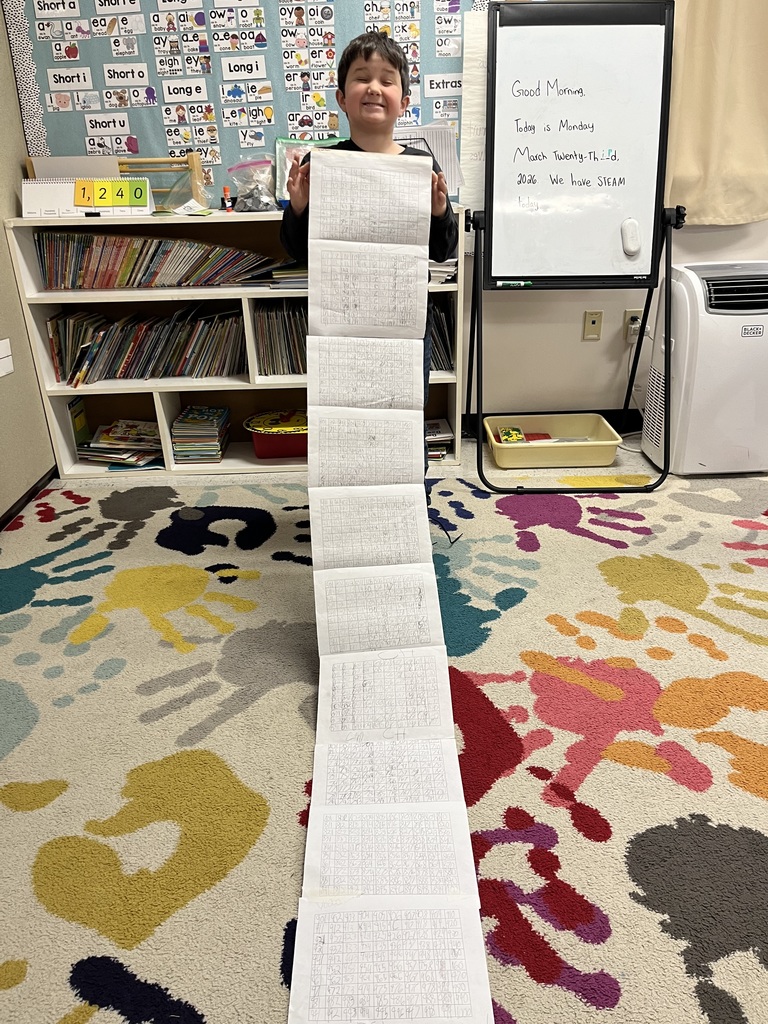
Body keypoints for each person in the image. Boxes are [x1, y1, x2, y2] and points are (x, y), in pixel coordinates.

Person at [280, 30, 459, 495]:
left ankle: (402, 500)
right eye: (361, 79)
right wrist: (299, 205)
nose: (374, 88)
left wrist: (439, 210)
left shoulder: (420, 164)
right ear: (342, 97)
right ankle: (346, 505)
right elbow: (298, 251)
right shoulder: (328, 163)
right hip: (342, 322)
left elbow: (443, 249)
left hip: (402, 326)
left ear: (403, 100)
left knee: (401, 412)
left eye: (386, 79)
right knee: (342, 413)